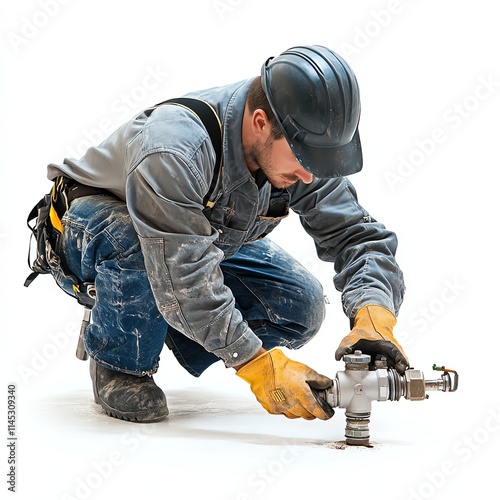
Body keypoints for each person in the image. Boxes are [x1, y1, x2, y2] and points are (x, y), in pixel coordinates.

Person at [37, 45, 409, 423]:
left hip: (186, 241)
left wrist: (373, 312)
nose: (311, 176)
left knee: (299, 305)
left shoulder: (298, 150)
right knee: (138, 247)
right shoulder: (174, 149)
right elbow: (183, 274)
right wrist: (257, 364)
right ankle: (119, 359)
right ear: (261, 123)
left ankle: (159, 315)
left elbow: (356, 236)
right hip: (89, 231)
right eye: (304, 159)